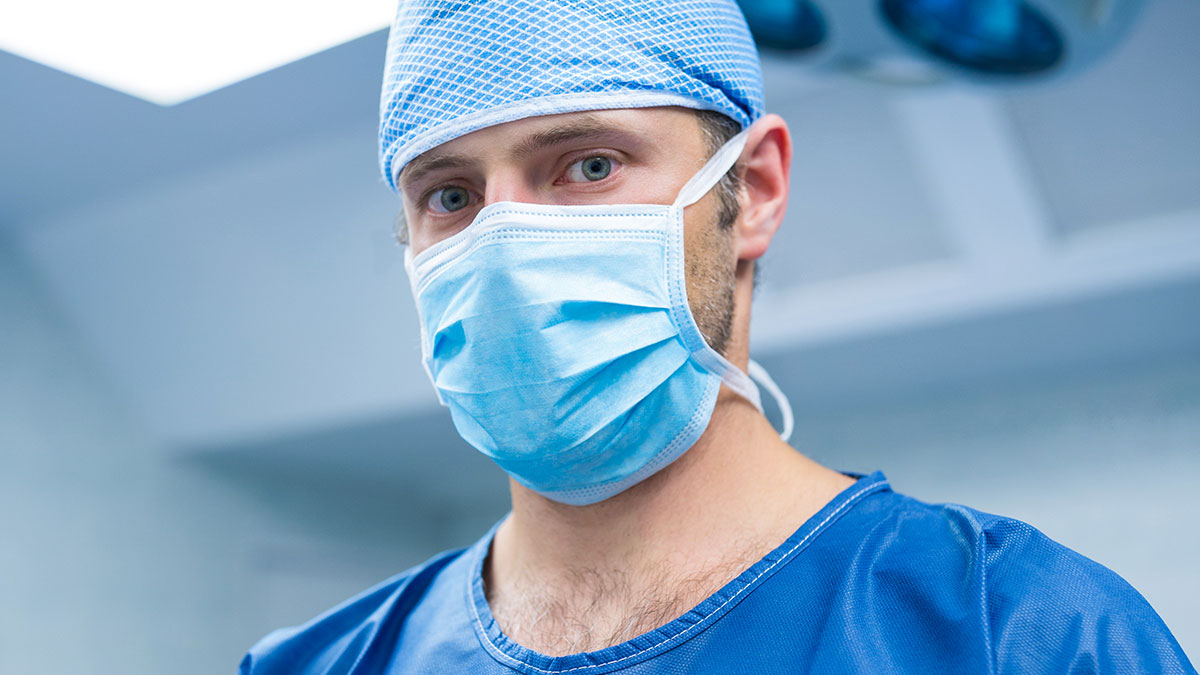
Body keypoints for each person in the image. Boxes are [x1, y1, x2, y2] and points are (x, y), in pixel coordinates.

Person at [241, 1, 1194, 672]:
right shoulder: (318, 663)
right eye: (450, 195)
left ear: (757, 192)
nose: (505, 241)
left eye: (589, 164)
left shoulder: (1020, 633)